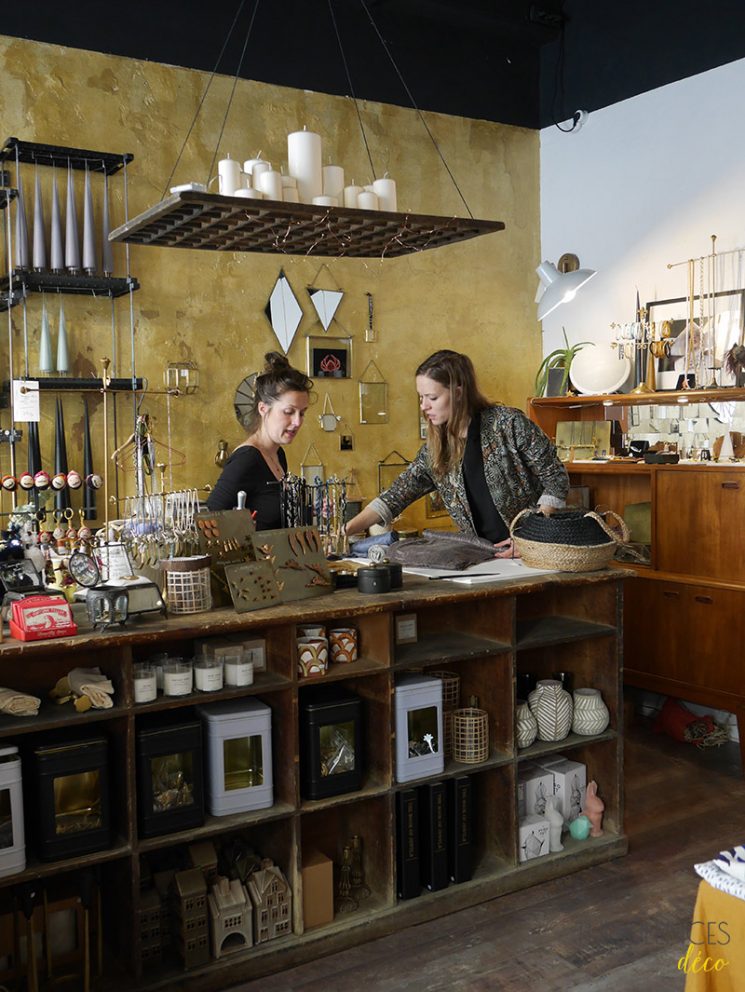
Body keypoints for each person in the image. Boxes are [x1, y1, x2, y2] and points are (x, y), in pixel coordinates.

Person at [344, 350, 569, 557]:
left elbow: (556, 478)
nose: (423, 406)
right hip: (484, 559)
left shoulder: (509, 424)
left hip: (535, 554)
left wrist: (530, 538)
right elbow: (395, 495)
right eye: (420, 397)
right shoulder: (435, 448)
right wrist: (345, 531)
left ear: (458, 392)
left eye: (432, 398)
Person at [206, 352, 312, 527]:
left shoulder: (278, 454)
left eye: (302, 413)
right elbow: (209, 521)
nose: (297, 422)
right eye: (288, 412)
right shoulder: (246, 459)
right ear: (263, 409)